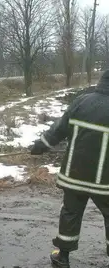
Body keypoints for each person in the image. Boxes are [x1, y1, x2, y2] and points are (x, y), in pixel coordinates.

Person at [30, 69, 109, 268]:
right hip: (105, 180)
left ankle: (62, 256)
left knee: (71, 213)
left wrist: (41, 145)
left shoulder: (81, 101)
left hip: (75, 175)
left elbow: (59, 128)